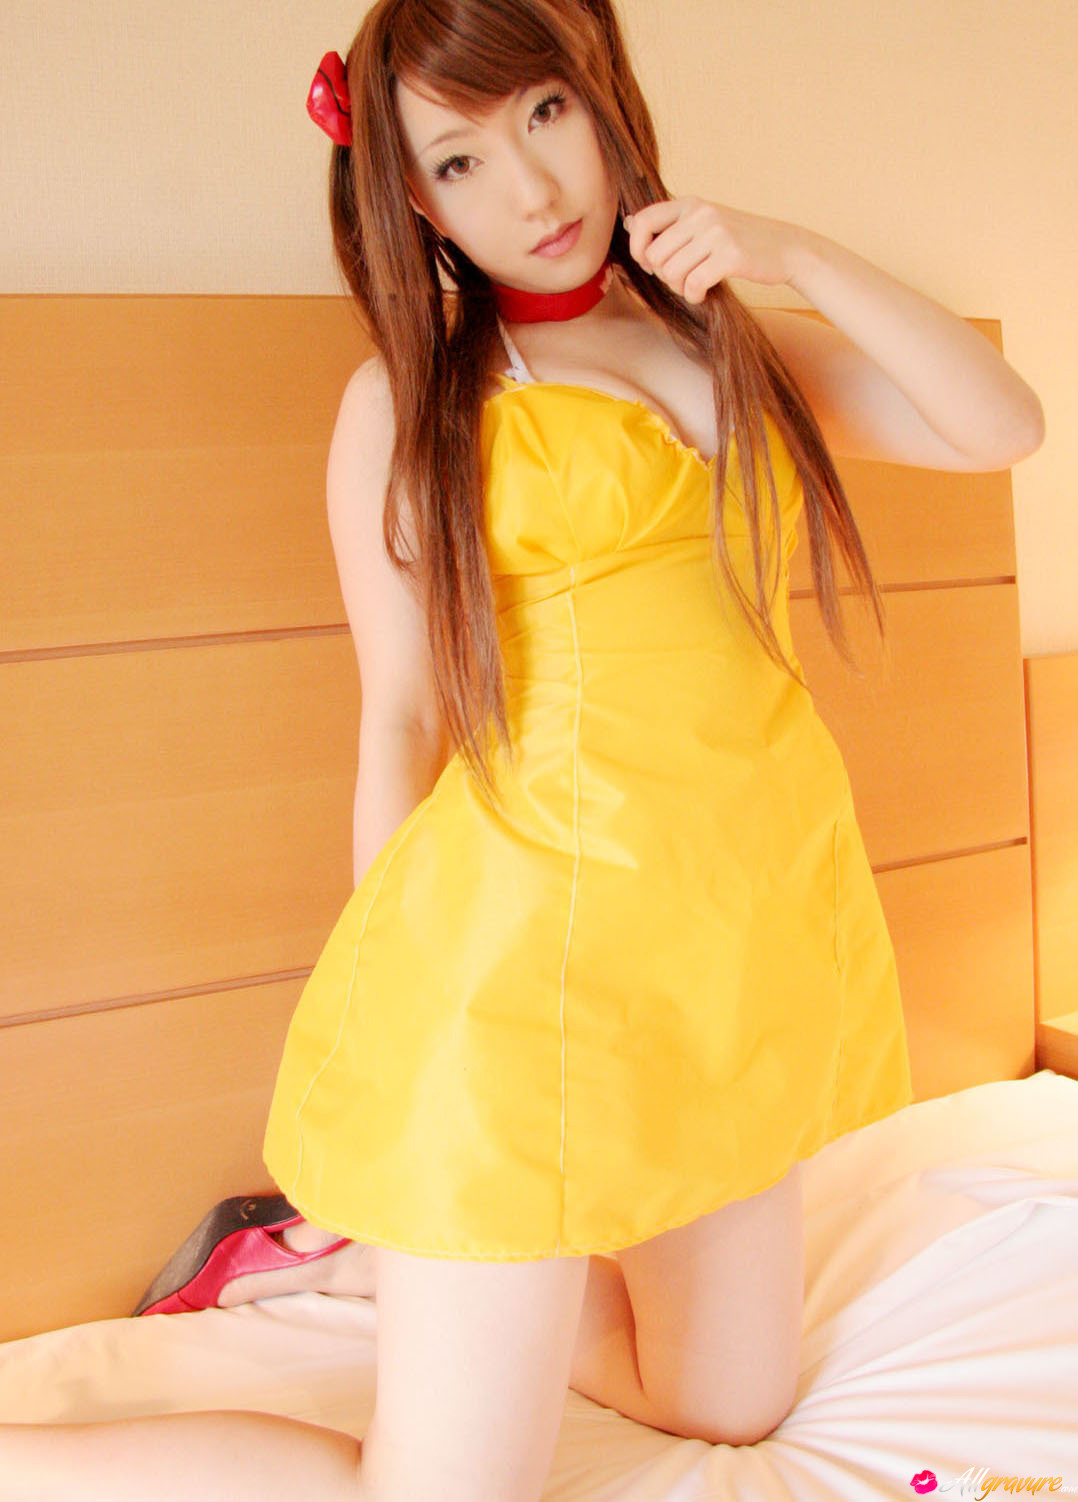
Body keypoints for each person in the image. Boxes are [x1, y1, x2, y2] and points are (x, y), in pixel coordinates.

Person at [2, 0, 1045, 1498]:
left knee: (729, 1406)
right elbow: (401, 714)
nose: (534, 189)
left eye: (546, 113)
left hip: (723, 947)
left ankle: (377, 1267)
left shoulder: (727, 343)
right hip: (520, 968)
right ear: (415, 205)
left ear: (605, 100)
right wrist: (390, 1010)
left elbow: (997, 426)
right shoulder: (414, 405)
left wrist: (793, 253)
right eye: (460, 160)